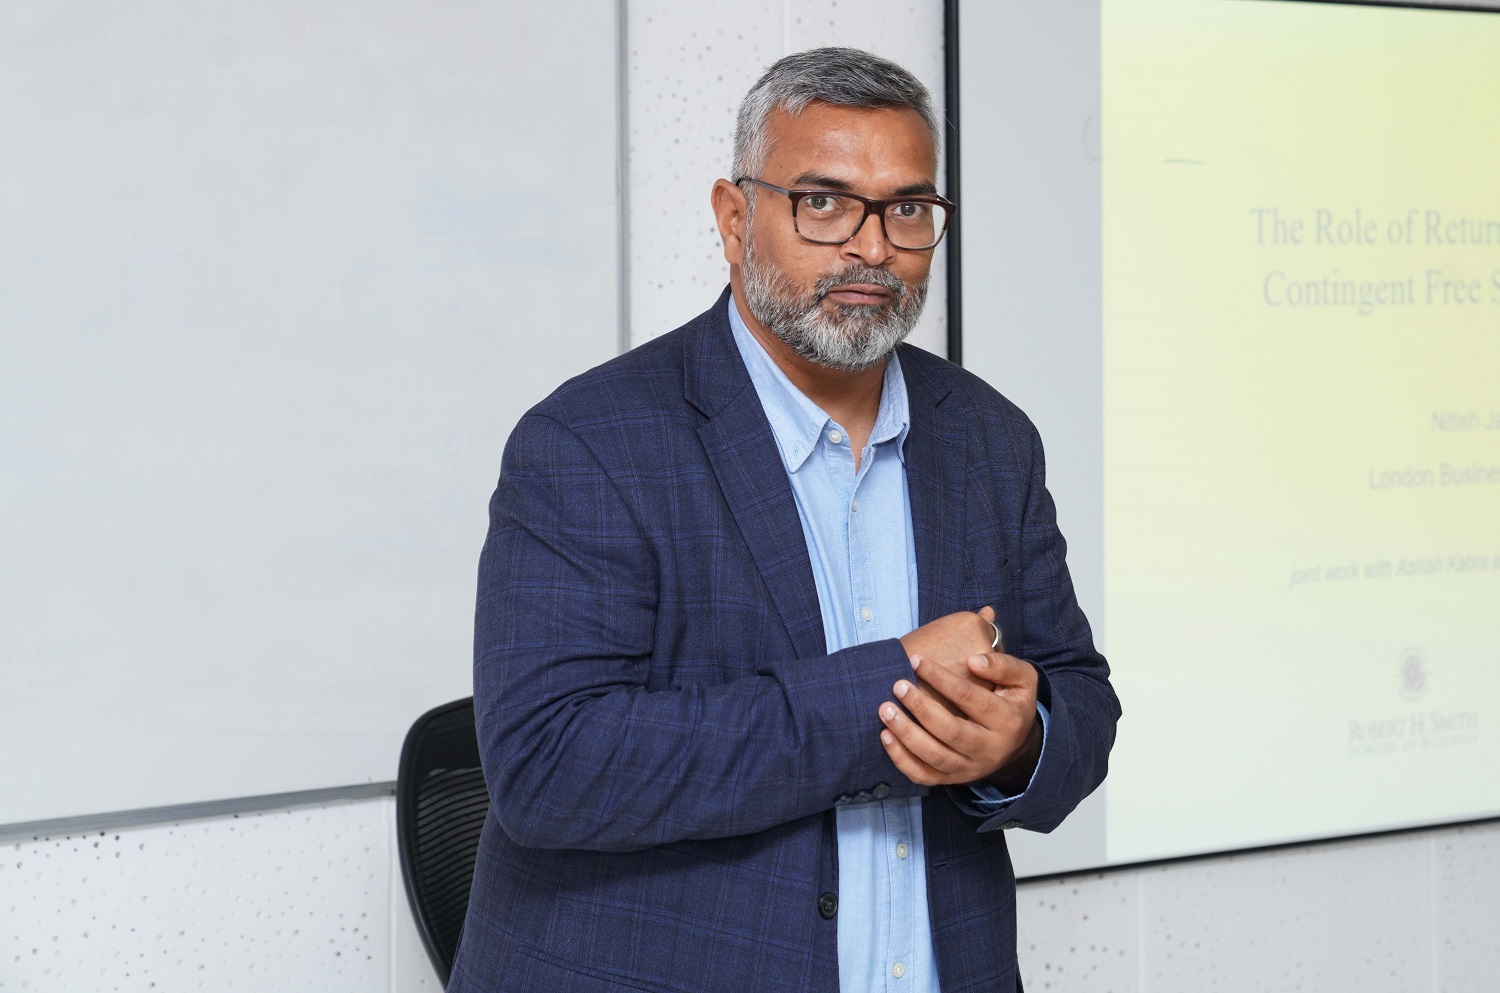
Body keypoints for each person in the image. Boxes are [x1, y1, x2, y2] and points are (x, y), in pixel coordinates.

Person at [448, 47, 1119, 993]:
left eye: (908, 210)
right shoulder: (590, 442)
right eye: (824, 202)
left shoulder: (990, 439)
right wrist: (891, 687)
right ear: (733, 218)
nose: (874, 247)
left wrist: (1020, 740)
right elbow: (549, 766)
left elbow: (1079, 695)